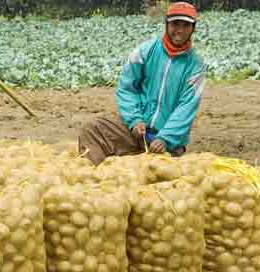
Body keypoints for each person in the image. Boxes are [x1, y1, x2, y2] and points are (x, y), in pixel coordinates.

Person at [78, 2, 207, 165]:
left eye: (185, 25)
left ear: (193, 28)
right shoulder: (145, 51)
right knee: (92, 129)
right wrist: (135, 120)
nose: (179, 30)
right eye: (175, 24)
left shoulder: (195, 66)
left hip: (166, 142)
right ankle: (93, 180)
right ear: (166, 24)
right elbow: (127, 88)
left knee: (159, 171)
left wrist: (165, 138)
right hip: (136, 131)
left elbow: (186, 107)